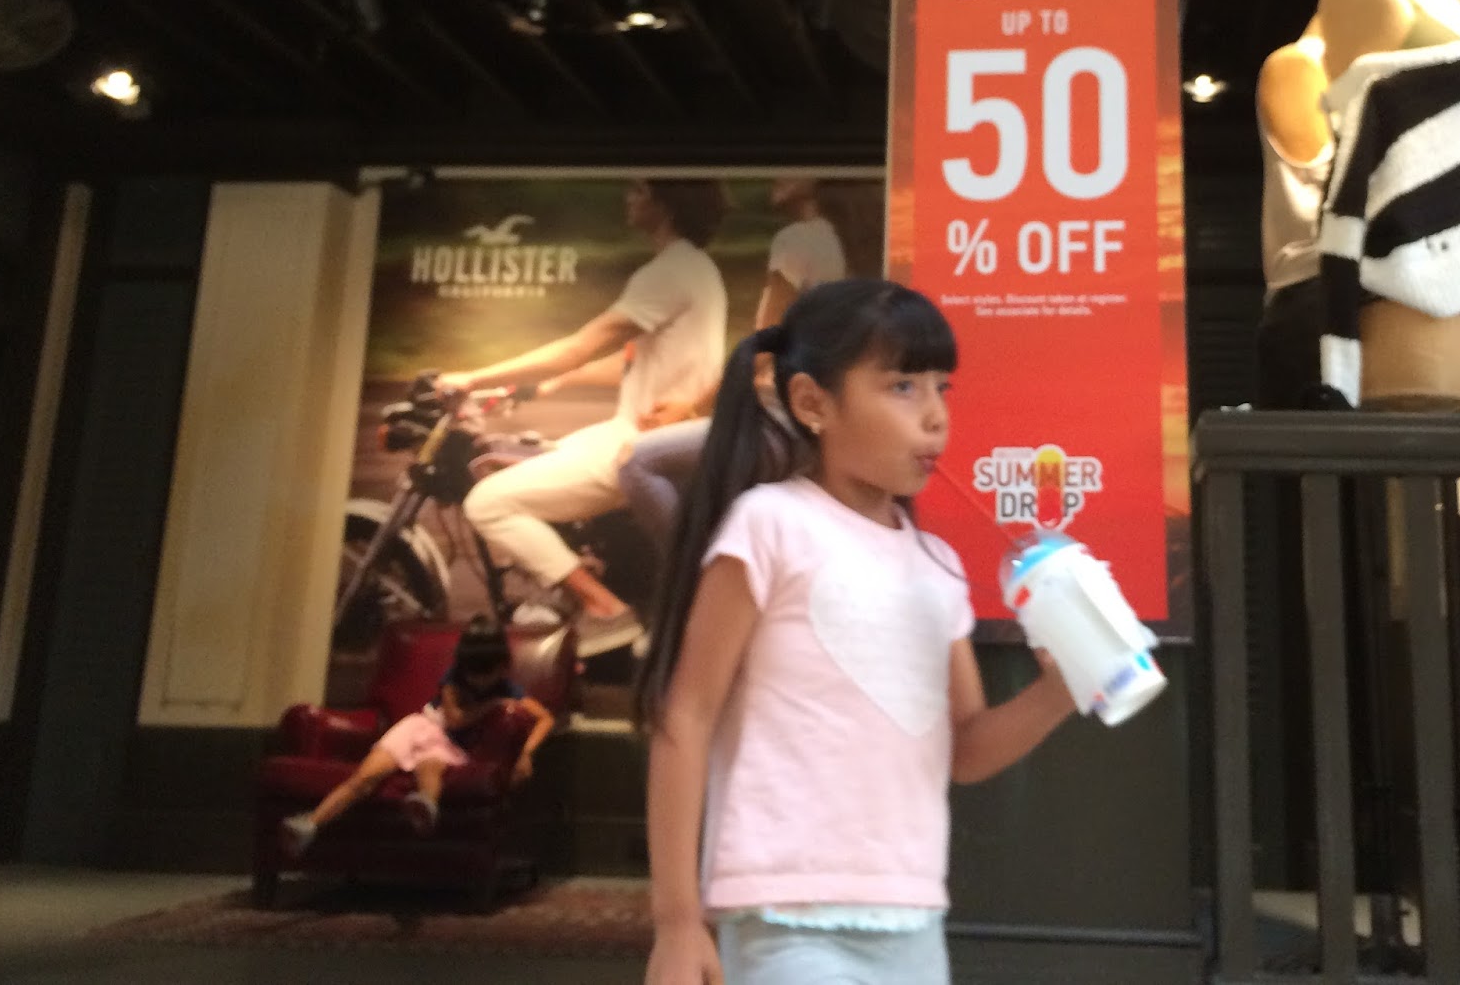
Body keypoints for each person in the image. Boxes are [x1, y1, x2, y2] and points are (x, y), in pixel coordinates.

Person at [639, 278, 1076, 985]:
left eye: (941, 387)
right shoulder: (771, 523)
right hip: (784, 917)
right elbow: (685, 716)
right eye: (902, 386)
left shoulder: (937, 565)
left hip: (913, 922)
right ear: (813, 404)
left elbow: (965, 749)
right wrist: (677, 922)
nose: (935, 416)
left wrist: (1061, 689)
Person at [443, 180, 730, 655]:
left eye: (638, 190)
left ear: (665, 204)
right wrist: (552, 384)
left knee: (487, 504)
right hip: (650, 435)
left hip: (640, 445)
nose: (628, 197)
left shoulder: (666, 274)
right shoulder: (698, 269)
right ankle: (573, 579)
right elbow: (630, 359)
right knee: (542, 453)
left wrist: (470, 378)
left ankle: (603, 607)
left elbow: (577, 347)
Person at [613, 177, 854, 570]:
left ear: (814, 181)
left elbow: (762, 347)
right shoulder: (833, 240)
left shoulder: (796, 239)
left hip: (776, 423)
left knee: (637, 462)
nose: (777, 175)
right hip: (807, 428)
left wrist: (692, 407)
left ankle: (699, 581)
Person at [280, 616, 554, 854]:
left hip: (450, 746)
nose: (477, 680)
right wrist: (492, 704)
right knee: (366, 776)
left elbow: (545, 718)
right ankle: (311, 823)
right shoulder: (455, 679)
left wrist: (526, 753)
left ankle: (425, 809)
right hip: (422, 727)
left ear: (502, 667)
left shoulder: (507, 688)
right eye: (472, 672)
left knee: (430, 767)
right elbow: (455, 720)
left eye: (486, 673)